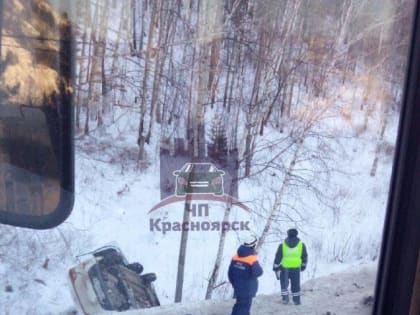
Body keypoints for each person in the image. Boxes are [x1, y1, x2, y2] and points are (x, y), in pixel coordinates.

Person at [228, 235, 263, 315]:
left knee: (238, 305)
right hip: (248, 288)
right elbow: (258, 272)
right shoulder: (252, 259)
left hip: (237, 287)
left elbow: (230, 273)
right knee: (244, 308)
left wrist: (234, 284)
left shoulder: (235, 257)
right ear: (253, 245)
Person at [272, 228, 308, 305]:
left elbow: (278, 256)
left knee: (284, 284)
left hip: (285, 267)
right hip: (296, 268)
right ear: (296, 234)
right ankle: (296, 300)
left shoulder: (282, 245)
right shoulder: (301, 245)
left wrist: (275, 266)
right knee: (296, 284)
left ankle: (285, 299)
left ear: (288, 234)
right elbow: (304, 256)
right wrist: (303, 265)